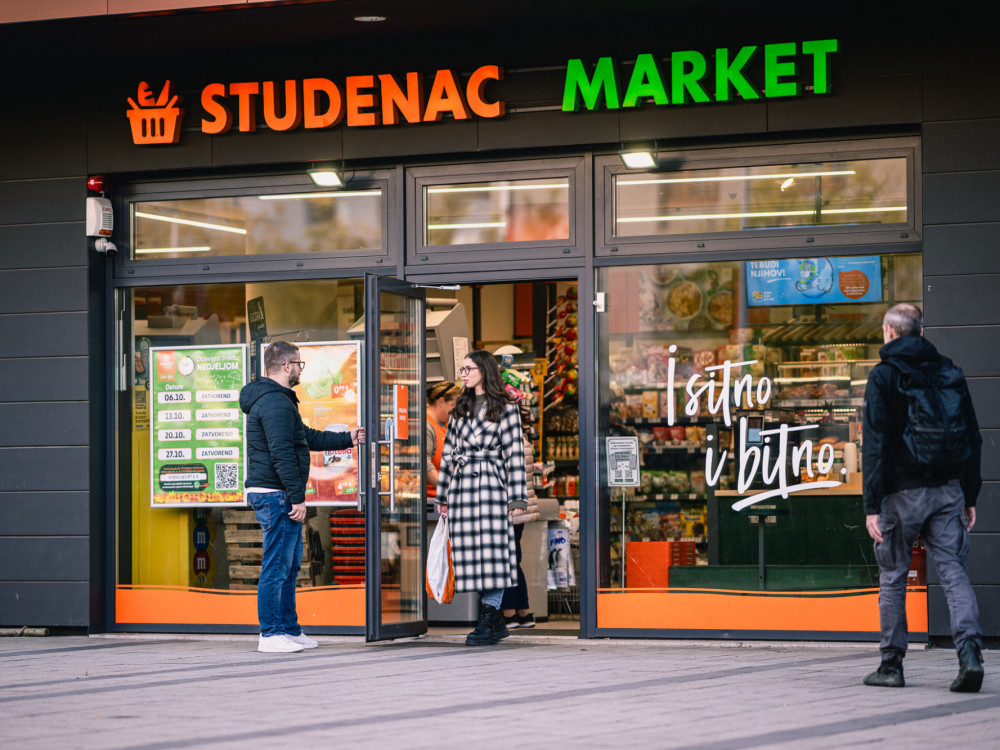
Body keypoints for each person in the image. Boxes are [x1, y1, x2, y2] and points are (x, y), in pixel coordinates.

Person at [862, 303, 984, 691]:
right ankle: (970, 656)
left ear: (889, 332)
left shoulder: (884, 376)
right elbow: (972, 436)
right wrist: (969, 493)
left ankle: (891, 665)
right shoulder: (949, 371)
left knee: (894, 576)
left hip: (901, 494)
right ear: (922, 333)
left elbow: (875, 443)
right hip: (948, 490)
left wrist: (872, 504)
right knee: (952, 572)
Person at [240, 340, 364, 654]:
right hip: (275, 494)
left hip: (276, 492)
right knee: (277, 565)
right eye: (298, 363)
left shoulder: (278, 400)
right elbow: (281, 453)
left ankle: (289, 629)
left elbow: (304, 437)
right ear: (286, 366)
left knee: (290, 565)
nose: (300, 369)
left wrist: (346, 438)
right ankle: (270, 634)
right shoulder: (275, 403)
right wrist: (296, 498)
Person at [435, 349, 528, 646]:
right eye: (462, 369)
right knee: (471, 556)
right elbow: (448, 454)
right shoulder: (460, 406)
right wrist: (444, 496)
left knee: (492, 556)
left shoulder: (505, 407)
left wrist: (517, 499)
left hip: (491, 486)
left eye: (468, 368)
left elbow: (514, 455)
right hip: (463, 490)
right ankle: (496, 620)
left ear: (485, 371)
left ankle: (488, 617)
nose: (463, 374)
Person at [501, 401, 540, 629]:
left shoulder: (507, 442)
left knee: (506, 560)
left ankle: (510, 612)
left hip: (508, 508)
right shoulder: (522, 439)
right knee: (513, 559)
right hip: (519, 509)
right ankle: (523, 611)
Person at [425, 381, 462, 501]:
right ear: (441, 402)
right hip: (434, 499)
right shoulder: (426, 426)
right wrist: (449, 489)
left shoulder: (446, 424)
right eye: (453, 405)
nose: (455, 411)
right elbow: (426, 466)